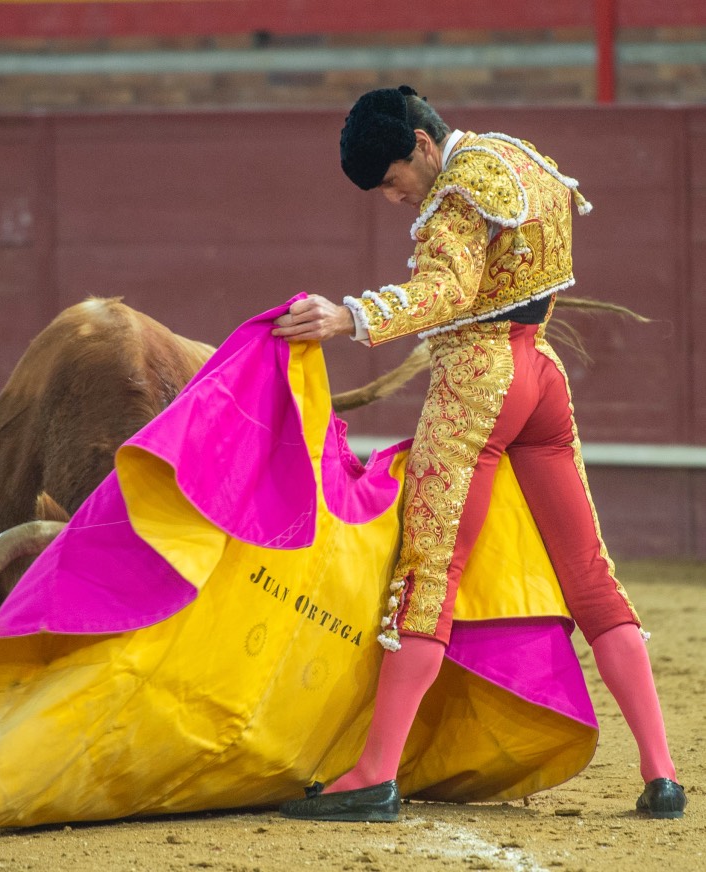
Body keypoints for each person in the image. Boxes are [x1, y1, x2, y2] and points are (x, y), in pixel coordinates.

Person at [271, 85, 686, 821]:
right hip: (541, 374)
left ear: (423, 145)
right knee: (590, 574)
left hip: (477, 382)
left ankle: (374, 773)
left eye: (394, 180)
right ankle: (662, 774)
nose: (396, 198)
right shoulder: (517, 157)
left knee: (428, 573)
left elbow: (447, 291)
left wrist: (350, 316)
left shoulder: (456, 196)